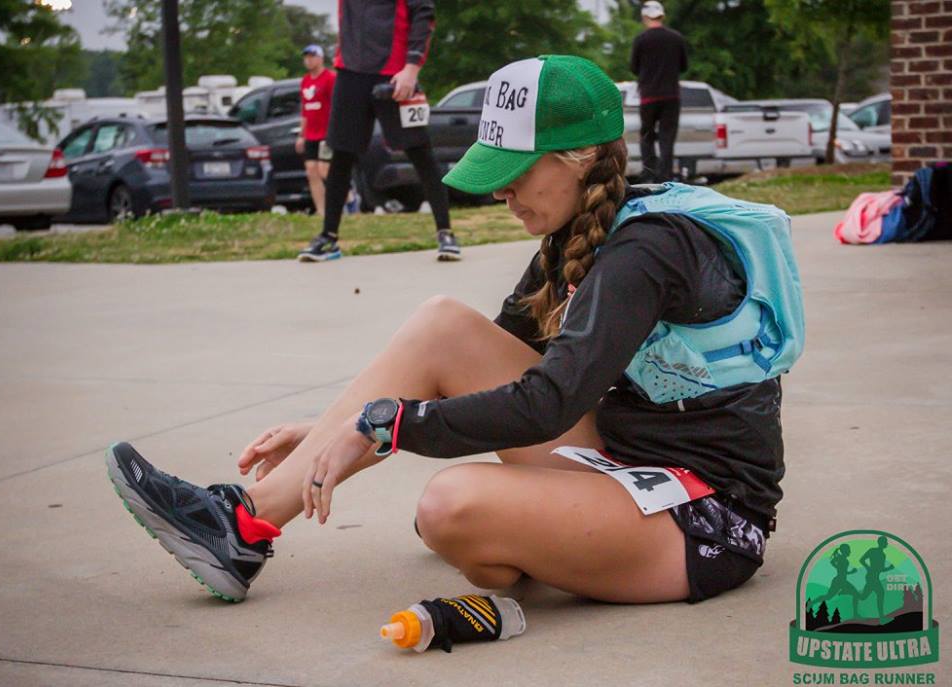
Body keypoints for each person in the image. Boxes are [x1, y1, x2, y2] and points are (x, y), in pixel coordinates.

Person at [107, 56, 803, 608]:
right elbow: (464, 359)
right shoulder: (577, 228)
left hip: (704, 514)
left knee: (448, 507)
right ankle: (242, 522)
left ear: (583, 156)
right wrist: (327, 427)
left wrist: (386, 424)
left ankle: (527, 532)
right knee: (442, 323)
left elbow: (544, 403)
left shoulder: (644, 251)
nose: (500, 193)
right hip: (621, 460)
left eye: (515, 174)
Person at [297, 0, 461, 263]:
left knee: (420, 152)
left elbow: (424, 14)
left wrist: (411, 68)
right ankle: (328, 237)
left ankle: (446, 232)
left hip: (395, 75)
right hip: (350, 73)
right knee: (340, 155)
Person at [630, 0, 688, 182]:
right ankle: (665, 177)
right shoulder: (677, 38)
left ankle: (649, 173)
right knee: (667, 137)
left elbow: (633, 67)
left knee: (646, 135)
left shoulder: (641, 40)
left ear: (645, 17)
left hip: (648, 96)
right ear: (662, 16)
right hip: (671, 95)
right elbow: (684, 66)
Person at [295, 44, 336, 217]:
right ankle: (321, 210)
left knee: (324, 170)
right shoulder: (305, 81)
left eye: (312, 56)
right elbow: (305, 110)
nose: (309, 60)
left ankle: (348, 199)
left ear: (320, 58)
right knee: (311, 171)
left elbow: (336, 106)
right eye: (306, 57)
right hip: (311, 133)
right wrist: (301, 135)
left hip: (326, 133)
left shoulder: (330, 78)